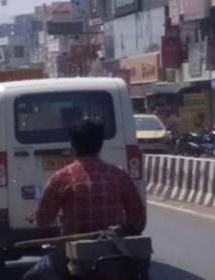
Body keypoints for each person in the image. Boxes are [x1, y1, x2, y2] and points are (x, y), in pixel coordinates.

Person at [22, 120, 146, 280]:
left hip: (74, 256)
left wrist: (40, 219)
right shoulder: (119, 175)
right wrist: (122, 230)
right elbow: (138, 219)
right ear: (101, 145)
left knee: (29, 277)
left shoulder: (61, 177)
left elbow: (43, 221)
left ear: (73, 146)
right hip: (116, 253)